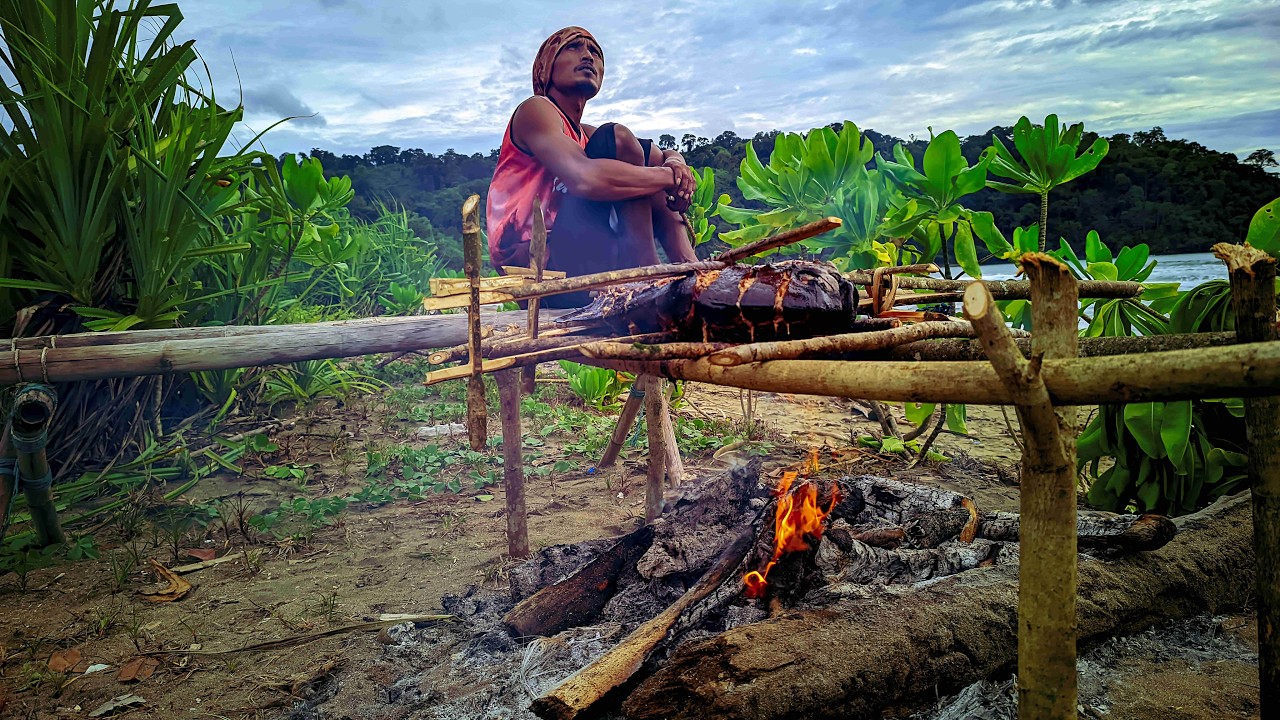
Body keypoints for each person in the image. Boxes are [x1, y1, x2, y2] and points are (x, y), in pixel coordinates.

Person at [486, 26, 698, 307]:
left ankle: (690, 269)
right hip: (543, 277)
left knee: (636, 151)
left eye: (595, 52)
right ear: (546, 65)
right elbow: (584, 179)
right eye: (573, 48)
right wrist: (668, 176)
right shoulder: (535, 111)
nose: (588, 56)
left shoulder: (584, 134)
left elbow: (657, 154)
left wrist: (675, 163)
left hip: (586, 257)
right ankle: (648, 272)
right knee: (620, 139)